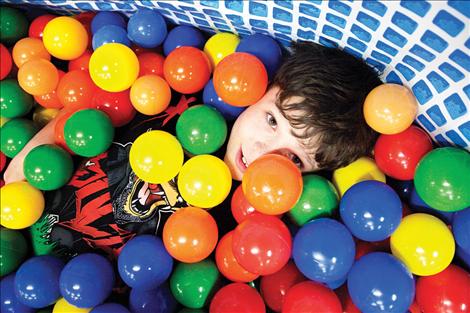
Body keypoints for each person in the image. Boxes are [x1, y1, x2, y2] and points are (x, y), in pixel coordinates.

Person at [3, 41, 382, 258]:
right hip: (21, 213)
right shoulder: (179, 103)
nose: (266, 153)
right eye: (272, 120)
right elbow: (89, 120)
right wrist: (23, 174)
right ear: (260, 90)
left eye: (295, 159)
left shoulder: (243, 225)